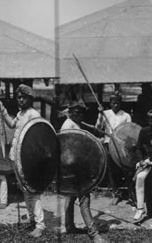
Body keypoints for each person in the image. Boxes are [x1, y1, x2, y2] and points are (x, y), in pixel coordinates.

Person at [1, 84, 46, 238]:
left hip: (28, 159)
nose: (20, 100)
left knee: (32, 190)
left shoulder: (33, 114)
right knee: (25, 190)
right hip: (16, 156)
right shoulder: (21, 113)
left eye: (23, 97)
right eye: (18, 97)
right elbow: (12, 124)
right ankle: (32, 219)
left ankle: (40, 225)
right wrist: (3, 111)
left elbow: (39, 136)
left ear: (30, 99)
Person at [60, 100, 108, 243]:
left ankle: (69, 226)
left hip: (71, 169)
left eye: (81, 112)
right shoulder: (69, 126)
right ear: (70, 112)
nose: (79, 114)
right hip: (74, 168)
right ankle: (94, 234)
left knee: (70, 197)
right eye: (76, 112)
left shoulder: (76, 124)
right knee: (84, 200)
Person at [95, 93, 132, 205]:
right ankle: (116, 194)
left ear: (120, 103)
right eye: (113, 102)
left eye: (117, 102)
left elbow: (129, 131)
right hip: (108, 144)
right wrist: (100, 114)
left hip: (122, 146)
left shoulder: (126, 116)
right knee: (112, 169)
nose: (115, 104)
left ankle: (131, 194)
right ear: (110, 103)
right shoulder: (105, 114)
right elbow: (98, 128)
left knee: (126, 169)